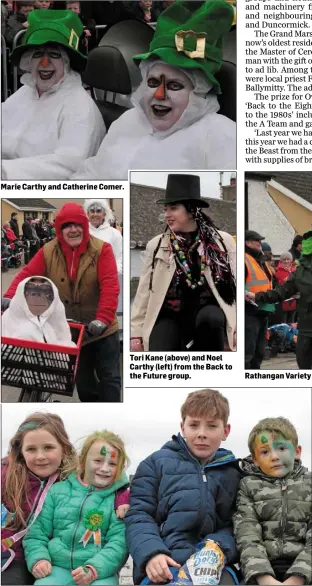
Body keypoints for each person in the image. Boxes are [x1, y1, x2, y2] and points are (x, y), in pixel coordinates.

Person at [73, 0, 236, 180]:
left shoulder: (220, 135)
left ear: (200, 91)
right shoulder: (128, 121)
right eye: (152, 82)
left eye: (175, 85)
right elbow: (94, 171)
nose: (159, 95)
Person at [2, 203, 121, 402]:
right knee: (84, 384)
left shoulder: (102, 250)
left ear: (84, 226)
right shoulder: (49, 251)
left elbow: (110, 284)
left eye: (77, 225)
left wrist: (104, 317)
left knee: (110, 380)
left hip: (102, 329)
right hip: (74, 330)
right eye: (67, 225)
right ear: (60, 229)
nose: (73, 229)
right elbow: (27, 274)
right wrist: (9, 295)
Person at [124, 389, 241, 585]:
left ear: (226, 431)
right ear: (183, 427)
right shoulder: (155, 464)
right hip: (165, 561)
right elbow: (139, 515)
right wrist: (152, 553)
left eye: (212, 426)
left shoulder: (234, 473)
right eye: (194, 425)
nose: (202, 434)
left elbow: (238, 524)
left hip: (215, 565)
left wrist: (218, 547)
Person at [131, 174, 236, 351]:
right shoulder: (157, 245)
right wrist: (136, 332)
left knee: (211, 319)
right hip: (169, 314)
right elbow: (144, 291)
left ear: (191, 210)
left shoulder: (221, 241)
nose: (167, 215)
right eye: (165, 209)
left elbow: (234, 286)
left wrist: (236, 326)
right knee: (160, 349)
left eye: (173, 208)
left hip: (207, 313)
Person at [2, 9, 105, 180]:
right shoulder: (25, 92)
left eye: (54, 54)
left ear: (66, 63)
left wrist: (4, 172)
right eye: (38, 54)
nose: (44, 62)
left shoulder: (79, 107)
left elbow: (70, 166)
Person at [23, 430, 130, 586]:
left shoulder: (119, 501)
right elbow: (36, 533)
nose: (105, 468)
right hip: (57, 567)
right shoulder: (57, 491)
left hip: (99, 573)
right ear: (83, 461)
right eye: (98, 461)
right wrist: (39, 559)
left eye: (112, 464)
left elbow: (119, 544)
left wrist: (93, 569)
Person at [234, 417, 311, 586]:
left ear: (297, 451)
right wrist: (264, 578)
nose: (274, 456)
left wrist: (298, 578)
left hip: (306, 570)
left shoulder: (310, 484)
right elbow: (247, 535)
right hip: (261, 570)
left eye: (281, 448)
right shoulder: (248, 486)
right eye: (264, 452)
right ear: (255, 459)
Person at [1, 412, 76, 586]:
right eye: (31, 449)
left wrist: (121, 502)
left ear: (64, 449)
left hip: (53, 557)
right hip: (12, 555)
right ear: (21, 451)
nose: (40, 456)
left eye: (48, 447)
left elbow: (108, 487)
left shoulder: (75, 480)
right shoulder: (5, 474)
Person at [246, 229, 312, 370]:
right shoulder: (300, 271)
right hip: (306, 329)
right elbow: (281, 292)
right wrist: (257, 296)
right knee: (304, 366)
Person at [1, 276, 76, 346]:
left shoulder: (50, 322)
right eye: (30, 291)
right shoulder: (22, 328)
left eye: (45, 292)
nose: (37, 297)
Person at [245, 230, 274, 369]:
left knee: (259, 352)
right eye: (257, 241)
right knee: (248, 353)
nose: (260, 243)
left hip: (263, 310)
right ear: (248, 243)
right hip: (250, 311)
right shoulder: (243, 259)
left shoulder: (261, 260)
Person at [83, 199, 123, 274]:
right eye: (92, 211)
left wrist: (114, 274)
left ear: (104, 214)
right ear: (87, 214)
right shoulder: (81, 231)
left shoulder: (115, 233)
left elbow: (118, 257)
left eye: (98, 211)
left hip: (106, 276)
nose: (95, 214)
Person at [275, 252, 297, 324]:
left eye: (288, 259)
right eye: (284, 259)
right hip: (283, 300)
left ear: (291, 260)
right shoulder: (277, 271)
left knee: (292, 321)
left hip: (293, 299)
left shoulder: (295, 270)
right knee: (283, 323)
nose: (286, 261)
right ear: (281, 261)